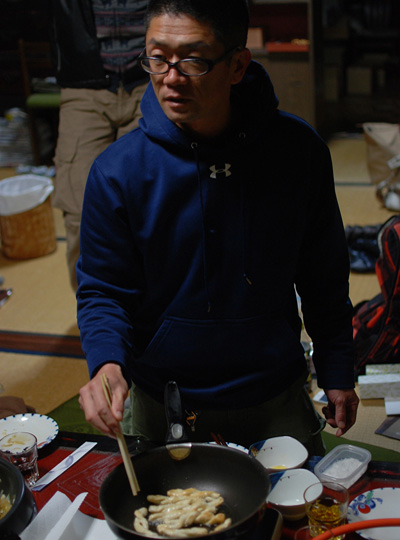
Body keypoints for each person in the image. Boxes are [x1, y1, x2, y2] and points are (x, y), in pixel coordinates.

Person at [77, 0, 359, 454]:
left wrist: (338, 368)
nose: (171, 77)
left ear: (237, 65)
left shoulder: (297, 151)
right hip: (163, 394)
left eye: (193, 60)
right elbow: (104, 289)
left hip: (273, 386)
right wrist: (107, 362)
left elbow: (323, 271)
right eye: (157, 57)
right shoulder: (118, 170)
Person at [48, 0, 149, 291]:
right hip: (83, 83)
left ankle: (151, 309)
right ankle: (95, 311)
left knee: (149, 206)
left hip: (152, 78)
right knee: (79, 212)